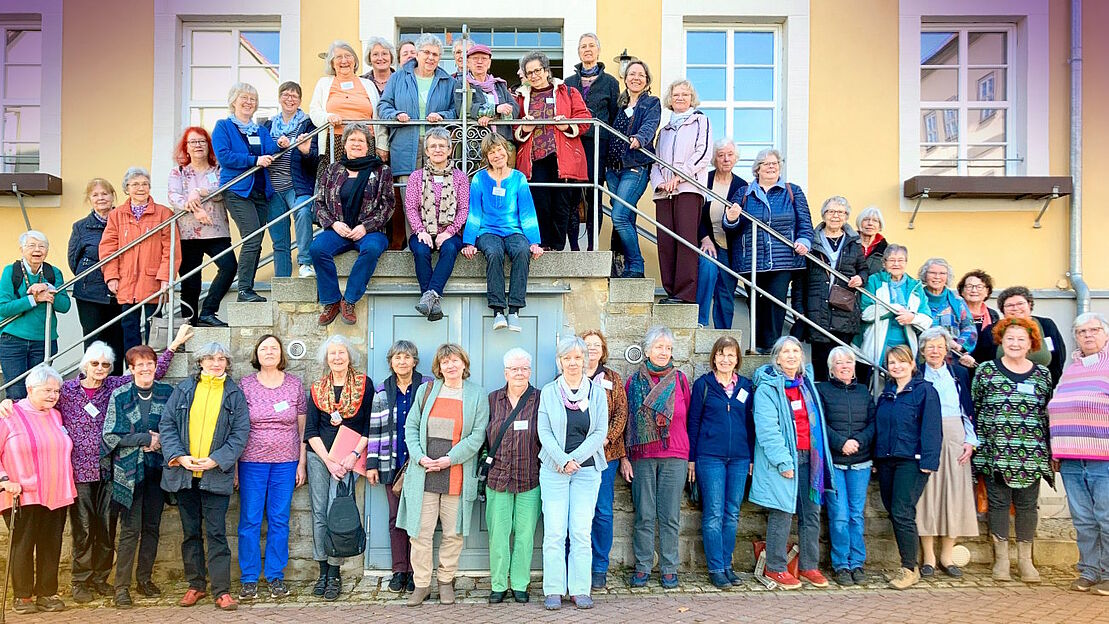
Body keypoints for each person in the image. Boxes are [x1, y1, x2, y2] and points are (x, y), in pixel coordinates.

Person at [56, 331, 184, 603]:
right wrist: (8, 403)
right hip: (97, 470)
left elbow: (151, 368)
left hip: (117, 472)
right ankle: (100, 584)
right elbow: (39, 393)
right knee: (90, 528)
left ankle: (114, 579)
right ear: (84, 365)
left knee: (110, 527)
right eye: (95, 364)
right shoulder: (68, 390)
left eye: (104, 365)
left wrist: (174, 344)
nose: (100, 369)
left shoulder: (114, 386)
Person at [159, 342, 250, 610]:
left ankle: (221, 591)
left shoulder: (234, 393)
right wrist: (178, 456)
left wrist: (217, 460)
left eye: (221, 358)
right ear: (200, 362)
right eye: (210, 358)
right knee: (190, 533)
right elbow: (167, 424)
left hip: (215, 475)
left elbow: (240, 433)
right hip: (185, 474)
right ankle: (196, 585)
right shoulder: (185, 389)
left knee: (217, 533)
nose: (216, 363)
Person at [397, 344, 489, 607]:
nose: (450, 366)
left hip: (456, 473)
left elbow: (477, 435)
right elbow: (411, 427)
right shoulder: (426, 391)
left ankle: (446, 581)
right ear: (439, 367)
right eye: (445, 361)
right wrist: (419, 456)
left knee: (453, 532)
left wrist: (450, 459)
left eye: (455, 361)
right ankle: (422, 584)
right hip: (424, 473)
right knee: (420, 533)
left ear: (463, 364)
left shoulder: (476, 395)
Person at [972, 317, 1054, 583]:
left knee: (1027, 506)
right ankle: (1002, 561)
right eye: (1010, 339)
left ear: (1031, 343)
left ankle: (1026, 561)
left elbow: (1046, 413)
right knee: (997, 505)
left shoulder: (1042, 374)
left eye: (1021, 339)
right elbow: (977, 407)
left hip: (1032, 453)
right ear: (1001, 341)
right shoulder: (986, 371)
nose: (1015, 343)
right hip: (995, 452)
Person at [750, 336, 833, 590]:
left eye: (796, 351)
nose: (791, 355)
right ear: (776, 358)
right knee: (782, 512)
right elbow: (767, 430)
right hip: (786, 459)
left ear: (801, 357)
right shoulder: (768, 388)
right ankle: (776, 568)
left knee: (811, 513)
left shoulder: (807, 385)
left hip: (812, 458)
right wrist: (783, 461)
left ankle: (808, 566)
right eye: (786, 351)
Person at [101, 345, 176, 608]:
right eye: (139, 365)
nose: (145, 369)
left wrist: (159, 443)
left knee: (152, 527)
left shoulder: (168, 393)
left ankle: (144, 579)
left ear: (156, 366)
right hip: (129, 473)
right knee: (130, 530)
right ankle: (121, 587)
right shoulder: (120, 395)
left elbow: (176, 427)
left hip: (158, 469)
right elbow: (111, 434)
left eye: (150, 363)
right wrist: (146, 438)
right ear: (130, 368)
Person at [538, 337, 608, 610]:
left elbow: (600, 432)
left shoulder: (597, 392)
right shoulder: (549, 391)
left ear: (585, 360)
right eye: (567, 358)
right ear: (560, 361)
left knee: (580, 532)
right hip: (554, 470)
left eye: (578, 357)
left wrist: (574, 460)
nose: (573, 362)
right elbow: (543, 431)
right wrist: (562, 459)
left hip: (587, 471)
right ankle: (554, 589)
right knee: (554, 532)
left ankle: (580, 589)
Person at [0, 365, 76, 614]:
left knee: (51, 544)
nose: (53, 395)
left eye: (56, 391)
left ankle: (47, 593)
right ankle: (22, 597)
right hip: (21, 493)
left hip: (56, 491)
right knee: (23, 544)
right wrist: (4, 480)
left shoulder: (55, 415)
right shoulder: (9, 415)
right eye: (47, 390)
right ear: (30, 389)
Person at [236, 334, 307, 600]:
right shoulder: (245, 385)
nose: (269, 352)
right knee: (250, 520)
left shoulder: (294, 385)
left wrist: (302, 463)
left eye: (274, 348)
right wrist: (233, 468)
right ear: (257, 354)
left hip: (286, 463)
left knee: (279, 520)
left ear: (281, 354)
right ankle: (249, 578)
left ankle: (276, 576)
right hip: (251, 462)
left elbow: (302, 428)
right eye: (264, 348)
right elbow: (237, 428)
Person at [303, 335, 372, 601]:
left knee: (337, 512)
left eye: (341, 352)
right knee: (319, 512)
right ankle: (323, 571)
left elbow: (368, 426)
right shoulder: (317, 389)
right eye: (332, 353)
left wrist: (353, 456)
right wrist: (328, 461)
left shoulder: (364, 386)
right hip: (320, 457)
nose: (337, 357)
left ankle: (335, 572)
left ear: (349, 356)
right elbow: (310, 430)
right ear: (326, 358)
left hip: (349, 459)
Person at [723, 148, 812, 347]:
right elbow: (730, 226)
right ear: (757, 169)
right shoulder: (743, 193)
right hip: (751, 260)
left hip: (783, 260)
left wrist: (804, 241)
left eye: (775, 163)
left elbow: (805, 224)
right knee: (755, 303)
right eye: (767, 163)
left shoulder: (792, 191)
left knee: (776, 302)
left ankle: (772, 347)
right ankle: (758, 345)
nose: (772, 167)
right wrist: (730, 218)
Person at [624, 325, 691, 589]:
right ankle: (642, 566)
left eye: (668, 348)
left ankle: (669, 567)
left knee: (670, 514)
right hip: (642, 455)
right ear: (648, 350)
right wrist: (625, 458)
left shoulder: (681, 380)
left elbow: (691, 419)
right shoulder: (634, 382)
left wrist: (692, 458)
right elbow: (627, 421)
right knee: (644, 514)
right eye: (659, 347)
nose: (664, 352)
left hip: (675, 454)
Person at [1048, 313, 1109, 594]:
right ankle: (1089, 571)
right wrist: (1056, 450)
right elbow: (1057, 409)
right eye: (1081, 331)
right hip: (1071, 457)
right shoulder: (1071, 368)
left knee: (1106, 518)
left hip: (1103, 458)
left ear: (1105, 335)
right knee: (1083, 520)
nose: (1088, 335)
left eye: (1094, 330)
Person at [310, 122, 394, 326]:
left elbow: (388, 205)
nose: (357, 144)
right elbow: (319, 203)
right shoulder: (332, 170)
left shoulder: (381, 170)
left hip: (370, 230)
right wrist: (333, 224)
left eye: (361, 140)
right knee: (317, 248)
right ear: (344, 144)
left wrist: (365, 226)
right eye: (352, 140)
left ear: (368, 145)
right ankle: (331, 301)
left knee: (372, 249)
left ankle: (349, 300)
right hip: (339, 229)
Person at [688, 336, 755, 589]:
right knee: (714, 513)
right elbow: (693, 423)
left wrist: (750, 456)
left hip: (739, 458)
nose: (726, 360)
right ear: (714, 357)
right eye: (721, 354)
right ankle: (716, 568)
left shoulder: (746, 386)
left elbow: (751, 425)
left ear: (737, 359)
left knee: (732, 513)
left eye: (731, 355)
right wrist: (692, 459)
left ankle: (727, 565)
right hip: (710, 457)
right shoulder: (703, 385)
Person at [874, 345, 942, 590]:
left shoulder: (924, 391)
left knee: (902, 511)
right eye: (892, 363)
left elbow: (932, 428)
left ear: (912, 364)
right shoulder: (887, 393)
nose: (896, 366)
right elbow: (880, 427)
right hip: (886, 459)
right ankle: (908, 565)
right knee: (893, 510)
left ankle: (909, 568)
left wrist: (928, 462)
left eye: (901, 362)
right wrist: (875, 457)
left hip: (911, 461)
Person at [461, 133, 544, 332]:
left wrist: (534, 241)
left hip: (513, 230)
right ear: (486, 157)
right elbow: (474, 212)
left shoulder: (518, 178)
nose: (497, 155)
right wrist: (469, 242)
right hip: (487, 231)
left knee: (522, 251)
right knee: (494, 253)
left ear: (506, 152)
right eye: (492, 152)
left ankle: (514, 310)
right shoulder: (479, 179)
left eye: (499, 150)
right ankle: (498, 310)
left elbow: (526, 211)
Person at [368, 340, 432, 593]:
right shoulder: (383, 390)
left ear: (414, 361)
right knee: (396, 519)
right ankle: (399, 570)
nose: (402, 362)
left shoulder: (427, 386)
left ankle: (418, 572)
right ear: (391, 362)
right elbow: (375, 428)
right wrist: (372, 463)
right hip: (392, 463)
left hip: (421, 464)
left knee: (420, 521)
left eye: (407, 357)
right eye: (397, 357)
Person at [212, 82, 285, 303]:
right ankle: (244, 290)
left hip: (260, 192)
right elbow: (224, 156)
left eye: (252, 99)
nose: (248, 102)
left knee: (257, 239)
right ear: (233, 101)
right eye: (244, 98)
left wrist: (281, 143)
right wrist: (254, 160)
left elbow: (270, 150)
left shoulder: (260, 130)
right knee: (252, 236)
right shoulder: (223, 126)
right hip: (237, 190)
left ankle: (248, 288)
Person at [916, 327, 979, 579]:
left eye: (940, 346)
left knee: (954, 495)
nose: (935, 350)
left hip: (955, 436)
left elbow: (968, 409)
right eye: (930, 346)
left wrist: (970, 441)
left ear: (947, 350)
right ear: (922, 350)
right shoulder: (916, 375)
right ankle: (929, 557)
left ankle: (947, 555)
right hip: (925, 437)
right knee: (927, 496)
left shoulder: (959, 374)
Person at [514, 50, 592, 251]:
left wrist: (566, 125)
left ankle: (557, 246)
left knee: (562, 204)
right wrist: (525, 128)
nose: (534, 75)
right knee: (539, 201)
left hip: (562, 156)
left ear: (546, 70)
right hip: (534, 158)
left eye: (537, 70)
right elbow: (512, 128)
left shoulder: (568, 92)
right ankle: (542, 244)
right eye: (529, 72)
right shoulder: (521, 97)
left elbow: (585, 120)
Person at [100, 168, 181, 350]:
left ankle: (154, 368)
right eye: (135, 184)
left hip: (154, 281)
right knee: (129, 328)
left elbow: (171, 249)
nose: (140, 188)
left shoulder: (164, 214)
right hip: (126, 281)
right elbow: (108, 248)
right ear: (126, 188)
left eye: (145, 184)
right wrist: (111, 276)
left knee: (155, 329)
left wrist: (165, 278)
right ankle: (132, 370)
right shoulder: (116, 215)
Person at [484, 348, 542, 604]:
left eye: (524, 368)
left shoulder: (541, 399)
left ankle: (520, 583)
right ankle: (498, 583)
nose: (519, 373)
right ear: (506, 372)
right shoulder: (492, 399)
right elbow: (481, 436)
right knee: (498, 534)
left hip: (530, 477)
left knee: (525, 534)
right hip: (497, 478)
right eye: (514, 368)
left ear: (530, 371)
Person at [817, 346, 875, 585]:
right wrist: (841, 443)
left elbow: (873, 423)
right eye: (839, 362)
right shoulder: (822, 391)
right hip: (836, 463)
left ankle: (857, 563)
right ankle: (841, 563)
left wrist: (858, 442)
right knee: (839, 516)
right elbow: (819, 423)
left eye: (849, 362)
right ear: (831, 368)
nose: (845, 366)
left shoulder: (864, 392)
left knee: (856, 516)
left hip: (860, 463)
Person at [167, 126, 237, 327]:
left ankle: (208, 311)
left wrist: (198, 191)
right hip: (188, 234)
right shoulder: (178, 171)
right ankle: (189, 325)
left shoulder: (219, 169)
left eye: (202, 141)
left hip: (216, 230)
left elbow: (223, 191)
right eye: (193, 142)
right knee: (191, 282)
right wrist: (196, 209)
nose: (198, 145)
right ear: (186, 148)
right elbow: (174, 196)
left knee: (229, 267)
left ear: (209, 145)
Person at [652, 80, 712, 304]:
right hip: (664, 193)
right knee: (666, 242)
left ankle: (685, 294)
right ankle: (670, 291)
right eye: (676, 94)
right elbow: (655, 162)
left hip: (688, 189)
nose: (680, 98)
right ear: (670, 98)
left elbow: (702, 153)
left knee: (685, 240)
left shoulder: (701, 121)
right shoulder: (664, 131)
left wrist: (679, 177)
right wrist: (660, 183)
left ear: (691, 98)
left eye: (685, 94)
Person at [799, 196, 868, 380]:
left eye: (841, 212)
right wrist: (800, 309)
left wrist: (860, 278)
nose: (835, 216)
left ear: (846, 217)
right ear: (823, 215)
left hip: (844, 311)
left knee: (842, 362)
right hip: (817, 310)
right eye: (831, 211)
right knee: (820, 364)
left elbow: (863, 269)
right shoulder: (811, 242)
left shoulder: (854, 243)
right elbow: (800, 278)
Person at [405, 127, 469, 321]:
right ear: (426, 151)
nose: (438, 149)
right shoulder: (416, 177)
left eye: (442, 146)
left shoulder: (460, 178)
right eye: (433, 146)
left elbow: (463, 210)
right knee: (422, 250)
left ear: (450, 150)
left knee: (449, 249)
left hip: (450, 234)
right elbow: (410, 208)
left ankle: (428, 297)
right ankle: (434, 301)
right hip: (423, 231)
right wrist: (420, 231)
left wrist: (448, 232)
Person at [582, 329, 630, 590]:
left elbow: (621, 414)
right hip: (575, 458)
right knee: (578, 512)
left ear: (603, 350)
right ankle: (576, 563)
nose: (592, 349)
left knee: (602, 511)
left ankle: (599, 565)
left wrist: (606, 439)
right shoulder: (569, 377)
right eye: (587, 344)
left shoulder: (613, 378)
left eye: (596, 345)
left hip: (605, 455)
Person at [605, 59, 661, 278]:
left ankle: (636, 265)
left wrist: (640, 138)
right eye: (632, 74)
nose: (636, 78)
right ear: (625, 78)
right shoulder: (620, 105)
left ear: (647, 80)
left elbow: (650, 125)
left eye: (641, 75)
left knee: (618, 216)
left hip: (635, 167)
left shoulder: (651, 103)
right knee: (626, 218)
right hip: (612, 169)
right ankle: (629, 267)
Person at [0, 231, 71, 400]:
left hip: (44, 341)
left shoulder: (53, 272)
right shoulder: (11, 271)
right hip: (13, 340)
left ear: (46, 250)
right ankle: (17, 427)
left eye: (42, 246)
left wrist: (49, 288)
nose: (37, 249)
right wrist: (33, 299)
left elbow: (65, 306)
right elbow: (3, 308)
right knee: (16, 392)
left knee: (40, 391)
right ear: (21, 249)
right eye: (31, 245)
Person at [565, 33, 620, 251]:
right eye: (583, 46)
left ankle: (591, 247)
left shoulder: (610, 83)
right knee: (571, 195)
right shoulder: (568, 83)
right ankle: (574, 248)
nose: (587, 50)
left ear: (598, 50)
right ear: (578, 52)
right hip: (573, 144)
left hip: (598, 145)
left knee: (594, 195)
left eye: (591, 46)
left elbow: (615, 117)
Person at [378, 33, 459, 181]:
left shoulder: (448, 81)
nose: (431, 57)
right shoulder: (398, 77)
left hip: (437, 145)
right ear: (417, 54)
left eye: (435, 54)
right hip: (405, 144)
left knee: (437, 196)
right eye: (426, 52)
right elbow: (383, 106)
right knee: (408, 195)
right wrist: (395, 115)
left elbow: (455, 111)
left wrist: (443, 116)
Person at [262, 81, 319, 278]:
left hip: (297, 185)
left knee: (303, 212)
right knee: (280, 240)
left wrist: (304, 151)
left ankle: (305, 262)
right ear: (279, 98)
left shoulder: (309, 124)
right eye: (286, 95)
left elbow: (315, 160)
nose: (290, 98)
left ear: (300, 100)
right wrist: (278, 146)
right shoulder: (268, 125)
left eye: (294, 96)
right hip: (273, 189)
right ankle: (283, 280)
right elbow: (262, 152)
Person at [68, 178, 125, 370]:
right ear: (89, 199)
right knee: (93, 338)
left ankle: (115, 384)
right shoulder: (80, 226)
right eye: (95, 195)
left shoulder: (124, 220)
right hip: (89, 292)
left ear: (112, 196)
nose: (101, 198)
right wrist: (90, 277)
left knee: (117, 338)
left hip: (120, 289)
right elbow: (73, 260)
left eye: (105, 194)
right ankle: (91, 383)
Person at [308, 41, 387, 177]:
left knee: (365, 186)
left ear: (354, 61)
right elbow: (314, 111)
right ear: (332, 63)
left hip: (366, 142)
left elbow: (379, 116)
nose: (344, 61)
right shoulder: (324, 83)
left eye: (348, 56)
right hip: (334, 142)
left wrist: (382, 144)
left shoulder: (367, 84)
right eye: (338, 57)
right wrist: (328, 117)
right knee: (335, 187)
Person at [860, 244, 933, 389]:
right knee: (878, 386)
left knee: (904, 385)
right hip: (878, 345)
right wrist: (892, 309)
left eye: (901, 260)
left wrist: (912, 317)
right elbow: (865, 312)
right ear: (884, 262)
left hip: (906, 346)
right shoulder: (874, 280)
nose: (896, 264)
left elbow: (927, 318)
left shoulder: (915, 285)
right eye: (891, 260)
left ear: (906, 263)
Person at [696, 139, 746, 328]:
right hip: (707, 240)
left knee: (726, 292)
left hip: (729, 246)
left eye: (730, 155)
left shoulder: (742, 186)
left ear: (736, 158)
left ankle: (723, 334)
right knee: (707, 273)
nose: (725, 159)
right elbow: (695, 213)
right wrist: (704, 238)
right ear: (714, 159)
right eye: (721, 155)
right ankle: (700, 323)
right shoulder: (704, 180)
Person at [977, 286, 1066, 385]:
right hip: (1000, 389)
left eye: (1020, 303)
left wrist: (1049, 384)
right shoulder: (991, 331)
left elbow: (1058, 358)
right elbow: (982, 361)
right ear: (1003, 309)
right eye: (1009, 305)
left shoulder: (1046, 325)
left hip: (1039, 388)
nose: (1015, 308)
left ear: (1029, 304)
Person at [457, 43, 518, 162]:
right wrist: (495, 109)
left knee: (504, 179)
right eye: (475, 59)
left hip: (503, 143)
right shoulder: (462, 84)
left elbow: (514, 109)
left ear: (489, 63)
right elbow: (464, 108)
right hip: (476, 144)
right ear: (468, 63)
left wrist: (492, 116)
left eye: (484, 59)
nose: (479, 62)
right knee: (480, 179)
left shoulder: (499, 85)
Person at [918, 258, 977, 363]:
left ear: (947, 277)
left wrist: (960, 345)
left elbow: (970, 329)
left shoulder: (957, 301)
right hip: (922, 359)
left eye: (942, 273)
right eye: (932, 273)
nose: (937, 277)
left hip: (951, 359)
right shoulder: (916, 299)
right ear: (925, 275)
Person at [958, 269, 1000, 368]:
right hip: (961, 365)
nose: (974, 290)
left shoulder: (993, 315)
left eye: (979, 287)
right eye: (969, 286)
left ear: (987, 292)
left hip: (986, 368)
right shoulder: (955, 312)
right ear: (962, 291)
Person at [856, 206, 888, 278]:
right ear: (860, 223)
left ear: (880, 226)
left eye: (875, 221)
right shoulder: (848, 243)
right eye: (866, 219)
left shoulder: (887, 250)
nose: (870, 223)